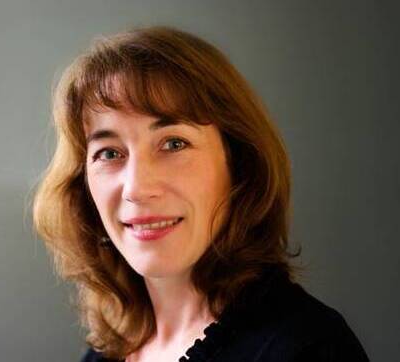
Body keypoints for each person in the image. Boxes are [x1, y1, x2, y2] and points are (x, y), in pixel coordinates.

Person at [32, 26, 369, 362]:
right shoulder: (104, 353)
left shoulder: (308, 349)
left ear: (238, 164)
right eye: (109, 153)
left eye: (174, 143)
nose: (136, 188)